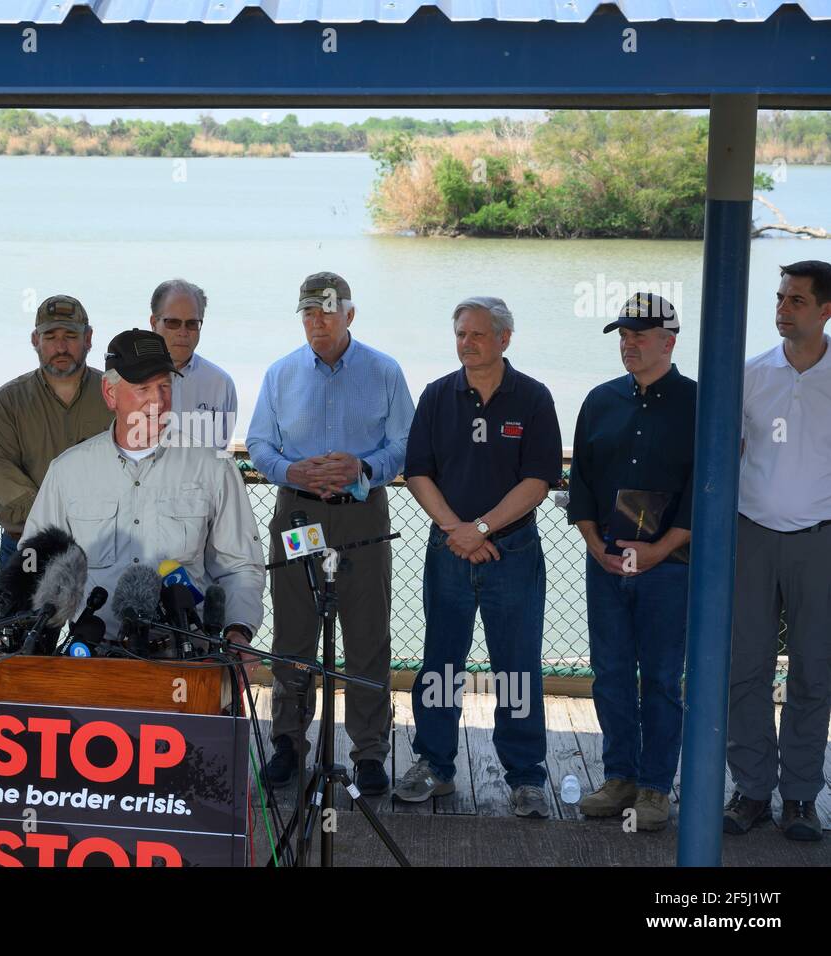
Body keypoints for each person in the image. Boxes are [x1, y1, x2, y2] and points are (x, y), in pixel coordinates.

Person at [246, 272, 415, 797]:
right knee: (295, 632)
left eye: (326, 312)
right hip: (300, 520)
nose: (317, 322)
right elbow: (258, 443)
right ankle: (288, 745)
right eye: (308, 314)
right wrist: (291, 472)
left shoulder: (384, 371)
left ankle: (368, 753)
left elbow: (406, 445)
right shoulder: (279, 374)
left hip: (361, 518)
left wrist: (362, 466)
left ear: (350, 314)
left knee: (367, 634)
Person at [400, 296, 560, 818]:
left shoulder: (533, 398)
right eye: (460, 335)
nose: (466, 344)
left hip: (511, 552)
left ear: (505, 339)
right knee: (441, 662)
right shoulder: (437, 395)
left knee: (516, 667)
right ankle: (434, 765)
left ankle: (526, 777)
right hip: (448, 549)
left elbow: (539, 480)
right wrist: (456, 530)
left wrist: (483, 528)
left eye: (477, 335)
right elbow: (417, 471)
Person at [24, 328, 264, 643]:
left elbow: (240, 567)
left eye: (165, 385)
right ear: (110, 394)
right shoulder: (67, 471)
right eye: (143, 388)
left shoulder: (215, 468)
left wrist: (238, 630)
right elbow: (34, 563)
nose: (158, 399)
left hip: (189, 656)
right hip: (95, 655)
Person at [567, 293, 695, 832]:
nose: (629, 345)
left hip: (670, 567)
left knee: (663, 679)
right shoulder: (599, 401)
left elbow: (704, 489)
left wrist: (659, 550)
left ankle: (654, 788)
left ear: (669, 340)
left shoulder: (699, 402)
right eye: (623, 336)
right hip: (608, 563)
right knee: (611, 673)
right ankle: (619, 777)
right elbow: (583, 484)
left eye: (639, 336)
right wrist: (597, 547)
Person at [726, 260, 831, 843]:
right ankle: (750, 792)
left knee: (814, 675)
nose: (783, 308)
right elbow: (723, 452)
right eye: (780, 298)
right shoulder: (750, 375)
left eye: (796, 300)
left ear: (825, 310)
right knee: (746, 670)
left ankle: (799, 799)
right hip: (752, 537)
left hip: (820, 541)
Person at [0, 294, 112, 572]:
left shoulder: (114, 395)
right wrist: (54, 519)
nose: (61, 347)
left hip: (100, 545)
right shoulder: (8, 401)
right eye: (50, 336)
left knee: (99, 617)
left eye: (71, 336)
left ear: (88, 339)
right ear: (35, 340)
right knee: (21, 617)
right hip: (28, 544)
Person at [147, 278, 238, 450]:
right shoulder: (130, 381)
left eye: (192, 324)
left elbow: (220, 454)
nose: (183, 332)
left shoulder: (220, 384)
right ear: (153, 323)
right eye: (173, 323)